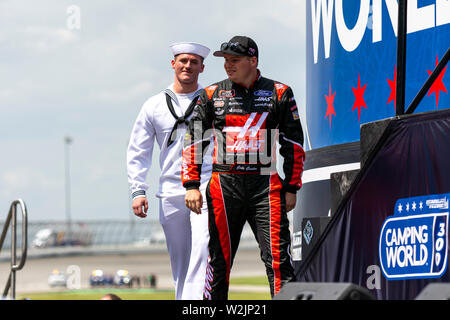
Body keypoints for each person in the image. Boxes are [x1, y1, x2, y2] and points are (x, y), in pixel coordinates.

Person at [182, 36, 305, 300]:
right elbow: (194, 139)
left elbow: (293, 143)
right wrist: (191, 184)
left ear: (253, 60)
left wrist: (292, 186)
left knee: (278, 259)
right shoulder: (212, 94)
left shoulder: (279, 92)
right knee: (219, 260)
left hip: (265, 185)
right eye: (225, 61)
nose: (228, 66)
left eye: (234, 60)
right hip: (225, 184)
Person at [127, 42, 212, 300]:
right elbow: (138, 150)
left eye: (194, 62)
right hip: (170, 191)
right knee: (181, 261)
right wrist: (138, 190)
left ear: (202, 67)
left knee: (202, 248)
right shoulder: (153, 105)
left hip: (205, 186)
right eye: (183, 61)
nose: (188, 66)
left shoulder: (213, 100)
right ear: (173, 64)